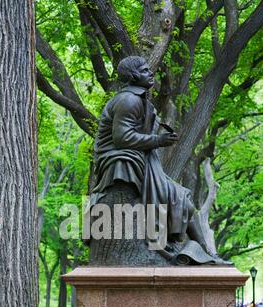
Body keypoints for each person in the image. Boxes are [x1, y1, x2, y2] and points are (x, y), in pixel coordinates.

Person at [89, 55, 229, 265]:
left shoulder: (140, 100)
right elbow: (121, 137)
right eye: (145, 70)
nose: (151, 73)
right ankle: (205, 253)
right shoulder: (128, 100)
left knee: (183, 199)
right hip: (121, 159)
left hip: (139, 159)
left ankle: (207, 253)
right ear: (133, 76)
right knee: (179, 197)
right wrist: (158, 140)